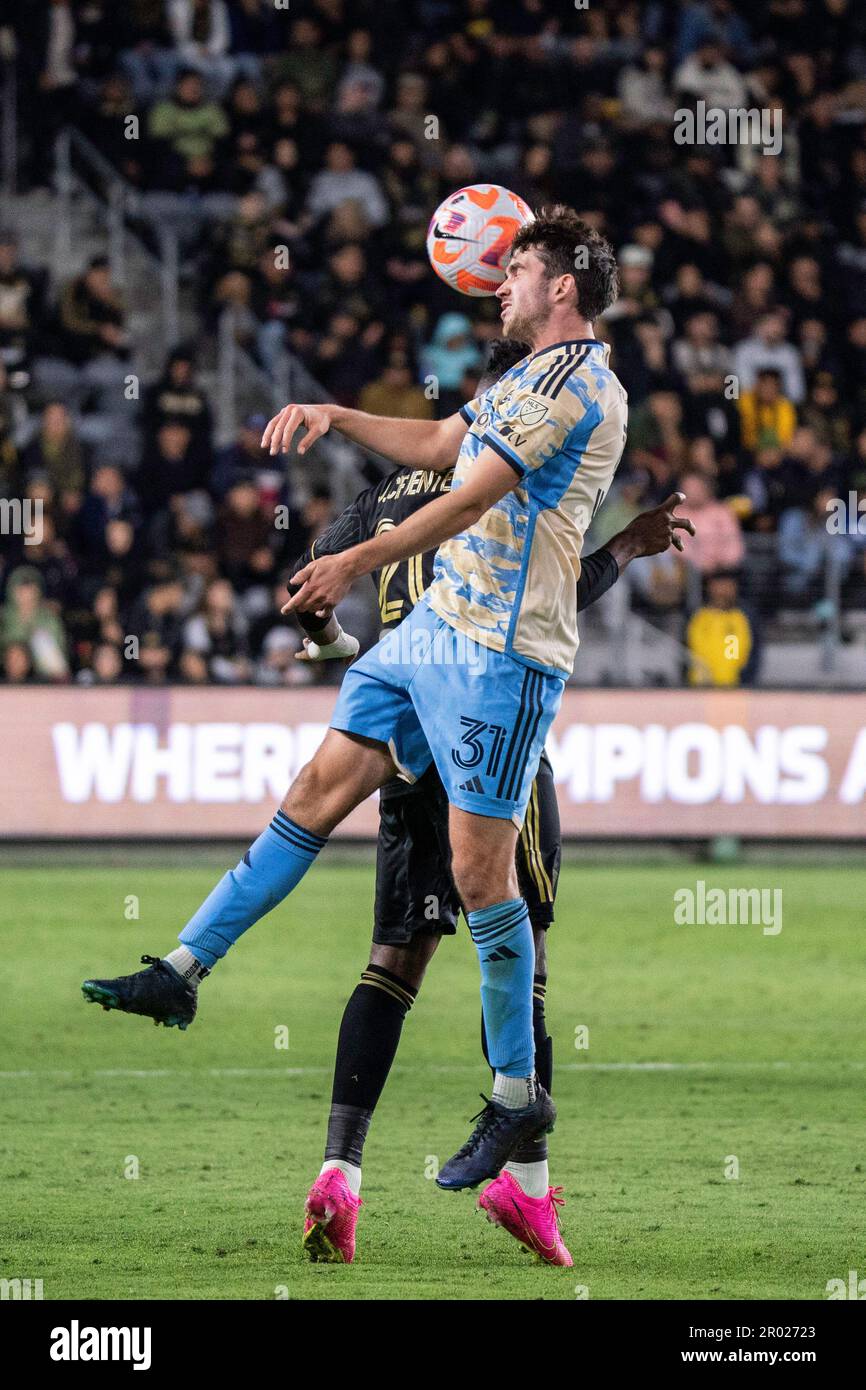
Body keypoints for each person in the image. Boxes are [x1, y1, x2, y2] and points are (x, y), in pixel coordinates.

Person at [82, 207, 634, 1207]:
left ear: (562, 285)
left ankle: (517, 1094)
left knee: (478, 874)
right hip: (432, 631)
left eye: (515, 268)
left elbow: (468, 499)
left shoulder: (580, 387)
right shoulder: (516, 378)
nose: (496, 281)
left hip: (501, 656)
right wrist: (335, 414)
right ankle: (181, 967)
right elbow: (433, 442)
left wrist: (350, 556)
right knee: (316, 784)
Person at [282, 340, 693, 1266]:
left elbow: (312, 586)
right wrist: (626, 543)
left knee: (392, 964)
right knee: (518, 952)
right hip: (486, 736)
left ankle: (339, 1175)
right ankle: (531, 1191)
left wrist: (333, 648)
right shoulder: (498, 485)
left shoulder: (378, 496)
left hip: (400, 746)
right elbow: (557, 592)